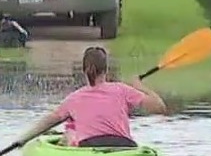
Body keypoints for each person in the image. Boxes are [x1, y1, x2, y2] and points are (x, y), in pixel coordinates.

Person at [16, 46, 167, 148]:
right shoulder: (122, 90)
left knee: (70, 134)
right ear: (106, 70)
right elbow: (160, 107)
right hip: (124, 146)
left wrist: (22, 140)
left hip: (90, 147)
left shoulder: (74, 98)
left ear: (83, 71)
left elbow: (48, 121)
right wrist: (139, 86)